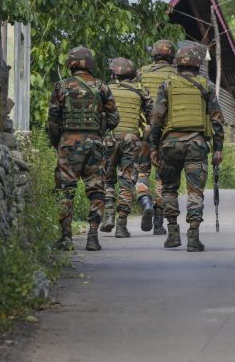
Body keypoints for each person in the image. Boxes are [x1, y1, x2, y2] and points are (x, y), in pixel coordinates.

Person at [149, 45, 224, 252]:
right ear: (197, 65)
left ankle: (173, 234)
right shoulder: (206, 86)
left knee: (169, 188)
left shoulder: (167, 85)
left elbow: (156, 119)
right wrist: (218, 149)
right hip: (197, 145)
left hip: (170, 145)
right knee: (195, 191)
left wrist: (153, 147)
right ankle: (193, 237)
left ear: (178, 63)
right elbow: (217, 120)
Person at [47, 46, 119, 251]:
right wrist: (99, 131)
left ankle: (66, 238)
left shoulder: (61, 86)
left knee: (65, 190)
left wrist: (58, 142)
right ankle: (93, 237)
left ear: (70, 64)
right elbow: (114, 118)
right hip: (94, 143)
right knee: (96, 190)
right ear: (90, 64)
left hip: (68, 143)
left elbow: (53, 120)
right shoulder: (102, 87)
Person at [100, 57, 154, 237]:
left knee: (107, 179)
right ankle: (121, 226)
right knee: (127, 182)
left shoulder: (104, 89)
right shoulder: (141, 91)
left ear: (113, 74)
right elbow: (153, 116)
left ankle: (109, 213)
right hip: (132, 140)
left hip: (109, 139)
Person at [134, 39, 179, 235]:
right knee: (163, 178)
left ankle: (145, 202)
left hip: (145, 131)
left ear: (153, 54)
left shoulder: (141, 73)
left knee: (142, 172)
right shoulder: (177, 75)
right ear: (172, 56)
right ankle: (159, 223)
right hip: (167, 133)